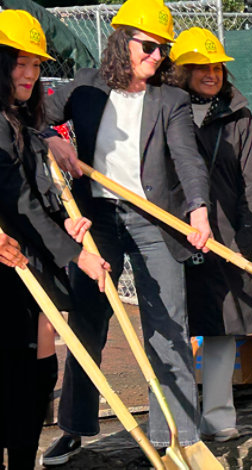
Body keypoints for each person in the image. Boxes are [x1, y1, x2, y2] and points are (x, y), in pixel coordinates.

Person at [40, 0, 212, 464]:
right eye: (149, 47)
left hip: (155, 220)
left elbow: (189, 161)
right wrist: (53, 136)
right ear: (123, 42)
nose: (157, 57)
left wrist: (198, 210)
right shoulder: (85, 87)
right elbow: (34, 116)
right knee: (88, 324)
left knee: (168, 327)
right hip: (97, 218)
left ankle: (177, 436)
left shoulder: (170, 99)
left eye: (164, 50)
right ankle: (74, 428)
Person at [0, 10, 109, 469]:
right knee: (14, 373)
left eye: (36, 64)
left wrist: (65, 226)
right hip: (8, 262)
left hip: (28, 259)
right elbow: (16, 198)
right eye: (19, 63)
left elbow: (31, 197)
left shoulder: (21, 119)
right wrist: (77, 255)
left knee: (39, 364)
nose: (29, 74)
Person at [170, 27, 252, 442]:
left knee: (222, 327)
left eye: (217, 67)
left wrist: (244, 240)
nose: (211, 74)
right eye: (202, 68)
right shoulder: (165, 109)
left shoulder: (238, 115)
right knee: (173, 325)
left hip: (226, 237)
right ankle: (176, 419)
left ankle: (218, 415)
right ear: (184, 71)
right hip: (174, 233)